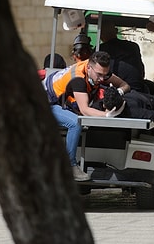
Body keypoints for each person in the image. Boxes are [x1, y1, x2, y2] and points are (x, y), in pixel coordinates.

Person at [44, 51, 130, 181]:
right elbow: (85, 110)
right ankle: (71, 167)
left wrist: (119, 92)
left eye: (105, 75)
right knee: (75, 122)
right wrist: (107, 115)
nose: (102, 79)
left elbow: (125, 85)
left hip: (56, 101)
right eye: (99, 75)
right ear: (89, 68)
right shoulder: (78, 79)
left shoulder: (98, 70)